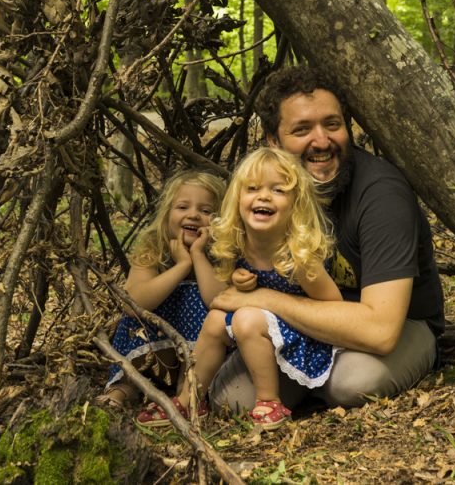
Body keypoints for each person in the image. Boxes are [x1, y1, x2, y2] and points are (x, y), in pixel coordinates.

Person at [208, 66, 445, 411]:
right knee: (231, 402)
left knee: (353, 382)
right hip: (306, 329)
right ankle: (303, 388)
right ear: (274, 142)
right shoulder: (265, 200)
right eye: (302, 129)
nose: (321, 142)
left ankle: (313, 389)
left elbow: (380, 331)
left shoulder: (381, 195)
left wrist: (263, 299)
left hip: (398, 326)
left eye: (332, 125)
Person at [135, 147, 341, 430]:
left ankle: (270, 402)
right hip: (261, 334)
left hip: (304, 340)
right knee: (218, 315)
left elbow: (334, 308)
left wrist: (267, 300)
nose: (264, 196)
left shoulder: (299, 256)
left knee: (245, 317)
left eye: (278, 190)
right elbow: (225, 295)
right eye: (252, 188)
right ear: (237, 200)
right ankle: (190, 398)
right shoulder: (239, 245)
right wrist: (240, 283)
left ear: (296, 205)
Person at [101, 170, 226, 407]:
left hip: (199, 357)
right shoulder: (152, 245)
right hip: (152, 351)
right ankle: (125, 388)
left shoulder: (222, 253)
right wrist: (181, 266)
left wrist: (198, 255)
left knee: (203, 305)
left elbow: (216, 301)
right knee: (138, 315)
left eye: (206, 211)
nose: (194, 215)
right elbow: (133, 303)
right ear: (167, 213)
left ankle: (187, 390)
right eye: (182, 207)